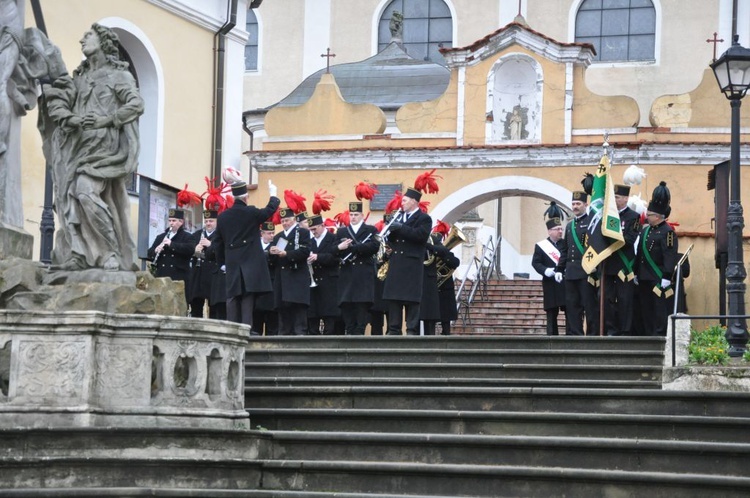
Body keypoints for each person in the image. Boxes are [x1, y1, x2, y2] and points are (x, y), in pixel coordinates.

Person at [43, 24, 144, 271]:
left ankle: (109, 253)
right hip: (77, 146)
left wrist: (107, 120)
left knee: (85, 191)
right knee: (68, 198)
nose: (82, 40)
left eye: (88, 36)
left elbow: (136, 104)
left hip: (104, 147)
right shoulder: (80, 78)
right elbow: (60, 105)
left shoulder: (119, 76)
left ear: (104, 41)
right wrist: (71, 118)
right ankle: (79, 252)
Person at [213, 179, 280, 326]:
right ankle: (245, 330)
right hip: (250, 263)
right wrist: (273, 195)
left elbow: (217, 242)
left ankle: (231, 330)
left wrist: (222, 263)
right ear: (246, 197)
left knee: (232, 297)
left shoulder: (223, 217)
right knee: (247, 299)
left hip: (232, 262)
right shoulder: (251, 212)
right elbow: (269, 210)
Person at [383, 187, 432, 335]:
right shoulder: (398, 217)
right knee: (394, 298)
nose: (401, 203)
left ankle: (411, 329)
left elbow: (420, 236)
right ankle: (394, 329)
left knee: (412, 299)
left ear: (414, 201)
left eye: (404, 200)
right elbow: (392, 240)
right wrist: (389, 231)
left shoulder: (424, 218)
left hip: (411, 263)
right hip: (397, 261)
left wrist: (401, 227)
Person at [634, 181, 678, 337]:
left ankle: (659, 333)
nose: (647, 216)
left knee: (659, 307)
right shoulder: (646, 231)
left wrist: (667, 275)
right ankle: (648, 333)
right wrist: (636, 273)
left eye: (650, 214)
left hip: (658, 277)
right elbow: (639, 253)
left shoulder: (668, 232)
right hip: (644, 276)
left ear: (658, 216)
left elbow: (670, 255)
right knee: (645, 307)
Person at [602, 184, 641, 336]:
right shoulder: (609, 215)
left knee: (625, 300)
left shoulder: (633, 217)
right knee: (608, 299)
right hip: (610, 263)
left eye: (617, 197)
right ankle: (611, 329)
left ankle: (625, 330)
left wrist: (614, 238)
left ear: (625, 199)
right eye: (614, 197)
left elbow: (631, 239)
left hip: (625, 265)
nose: (615, 200)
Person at [335, 201, 379, 335]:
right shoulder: (342, 231)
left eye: (356, 214)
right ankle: (350, 329)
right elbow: (334, 250)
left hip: (363, 274)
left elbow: (374, 247)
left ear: (362, 215)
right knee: (347, 304)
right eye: (351, 214)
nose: (353, 217)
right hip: (347, 273)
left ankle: (360, 331)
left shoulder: (370, 230)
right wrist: (339, 247)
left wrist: (354, 247)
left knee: (362, 305)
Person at [559, 190, 599, 335]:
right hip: (571, 271)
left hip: (586, 270)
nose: (575, 206)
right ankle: (575, 334)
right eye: (573, 204)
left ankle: (592, 335)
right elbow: (565, 249)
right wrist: (559, 268)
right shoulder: (569, 226)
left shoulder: (592, 222)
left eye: (578, 204)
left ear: (585, 204)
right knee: (572, 305)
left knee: (589, 305)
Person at [269, 207, 312, 335]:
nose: (285, 223)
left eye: (287, 220)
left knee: (298, 306)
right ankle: (284, 332)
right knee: (283, 307)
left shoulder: (303, 233)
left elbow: (305, 251)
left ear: (294, 219)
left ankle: (300, 333)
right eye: (283, 221)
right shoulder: (278, 237)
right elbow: (273, 261)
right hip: (282, 277)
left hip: (297, 275)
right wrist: (272, 254)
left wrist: (286, 254)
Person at [532, 215, 567, 336]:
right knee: (551, 312)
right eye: (557, 229)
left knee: (569, 311)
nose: (560, 231)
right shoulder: (541, 246)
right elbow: (536, 262)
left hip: (565, 281)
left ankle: (570, 337)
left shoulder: (565, 243)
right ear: (550, 231)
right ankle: (552, 338)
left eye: (561, 229)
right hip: (550, 283)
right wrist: (545, 270)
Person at [187, 209, 224, 319]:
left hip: (212, 275)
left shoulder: (220, 236)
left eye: (211, 221)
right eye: (206, 221)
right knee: (196, 307)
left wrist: (210, 245)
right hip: (198, 276)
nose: (208, 223)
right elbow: (188, 250)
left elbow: (223, 252)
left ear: (217, 222)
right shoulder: (197, 235)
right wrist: (195, 249)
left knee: (213, 308)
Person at [307, 214, 340, 335]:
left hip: (329, 281)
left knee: (329, 315)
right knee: (313, 314)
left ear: (322, 225)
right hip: (313, 280)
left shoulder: (333, 238)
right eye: (311, 230)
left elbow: (336, 258)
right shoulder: (309, 242)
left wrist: (318, 257)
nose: (313, 232)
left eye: (314, 229)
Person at [147, 208, 194, 293]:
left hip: (179, 276)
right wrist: (156, 250)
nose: (171, 223)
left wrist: (171, 244)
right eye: (170, 220)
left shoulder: (187, 237)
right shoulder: (161, 237)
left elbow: (190, 249)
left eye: (174, 220)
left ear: (181, 222)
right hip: (162, 275)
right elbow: (149, 252)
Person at [252, 221, 279, 335]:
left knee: (272, 322)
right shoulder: (254, 246)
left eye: (273, 233)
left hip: (271, 287)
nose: (272, 235)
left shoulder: (276, 246)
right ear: (262, 234)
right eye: (269, 233)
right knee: (256, 322)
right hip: (257, 287)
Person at [420, 233, 442, 335]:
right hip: (416, 278)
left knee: (430, 315)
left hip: (429, 280)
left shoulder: (433, 239)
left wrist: (430, 246)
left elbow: (443, 251)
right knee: (414, 316)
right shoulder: (413, 236)